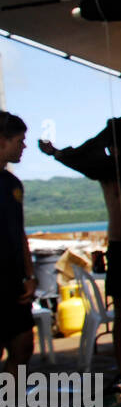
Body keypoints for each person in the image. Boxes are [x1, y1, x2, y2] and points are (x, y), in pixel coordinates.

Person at [39, 110, 121, 390]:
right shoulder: (107, 171)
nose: (112, 149)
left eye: (115, 144)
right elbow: (81, 158)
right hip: (120, 248)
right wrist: (55, 153)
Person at [0, 112, 35, 380]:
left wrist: (30, 276)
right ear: (2, 141)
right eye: (19, 141)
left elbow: (19, 233)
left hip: (13, 282)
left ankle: (8, 403)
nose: (24, 146)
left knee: (23, 346)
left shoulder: (13, 184)